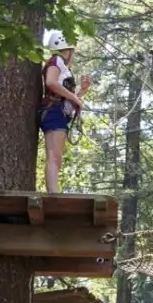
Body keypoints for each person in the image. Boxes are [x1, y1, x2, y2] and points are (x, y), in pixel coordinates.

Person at [39, 30, 91, 193]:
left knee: (57, 157)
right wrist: (74, 97)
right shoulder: (56, 61)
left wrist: (82, 91)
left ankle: (53, 192)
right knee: (54, 156)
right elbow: (51, 82)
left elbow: (67, 100)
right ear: (68, 50)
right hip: (53, 111)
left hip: (58, 113)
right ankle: (53, 194)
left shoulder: (62, 66)